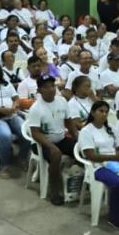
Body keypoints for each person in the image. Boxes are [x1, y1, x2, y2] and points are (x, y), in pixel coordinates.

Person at [77, 101, 119, 229]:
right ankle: (115, 217)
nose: (104, 114)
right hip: (97, 166)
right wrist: (115, 157)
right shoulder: (86, 131)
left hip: (114, 162)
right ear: (93, 112)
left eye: (106, 112)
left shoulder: (110, 128)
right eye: (101, 111)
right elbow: (91, 156)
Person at [26, 76, 81, 205]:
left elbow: (68, 122)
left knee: (82, 149)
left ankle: (79, 183)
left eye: (52, 86)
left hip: (61, 138)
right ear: (39, 90)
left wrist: (78, 138)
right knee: (55, 154)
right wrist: (51, 146)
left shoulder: (62, 101)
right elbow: (35, 133)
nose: (51, 89)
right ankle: (54, 190)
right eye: (46, 87)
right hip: (41, 142)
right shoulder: (36, 108)